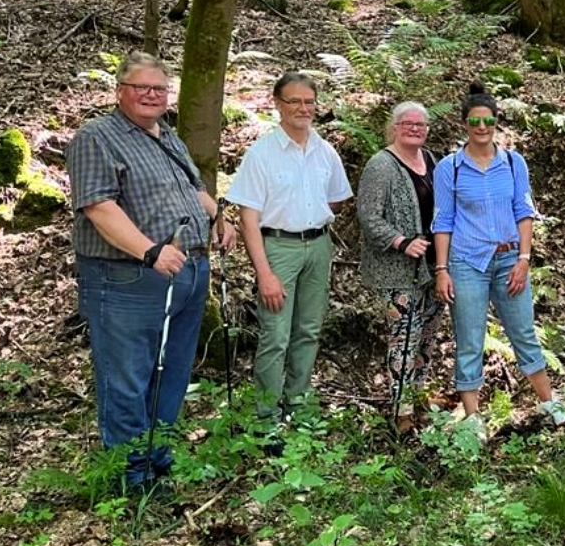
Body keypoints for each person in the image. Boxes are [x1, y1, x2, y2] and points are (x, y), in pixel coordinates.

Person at [67, 51, 235, 492]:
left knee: (171, 374)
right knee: (127, 377)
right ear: (120, 91)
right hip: (128, 278)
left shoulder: (167, 136)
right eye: (141, 87)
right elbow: (99, 207)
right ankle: (131, 477)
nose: (151, 95)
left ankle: (158, 459)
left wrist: (218, 218)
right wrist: (150, 252)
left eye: (159, 88)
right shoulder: (97, 137)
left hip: (188, 273)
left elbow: (194, 188)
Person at [432, 82, 565, 437]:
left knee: (524, 331)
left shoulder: (513, 162)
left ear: (496, 122)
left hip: (510, 260)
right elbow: (443, 221)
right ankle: (473, 418)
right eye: (475, 121)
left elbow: (524, 211)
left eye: (488, 121)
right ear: (464, 124)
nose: (482, 128)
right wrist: (442, 269)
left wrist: (525, 258)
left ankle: (549, 404)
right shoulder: (450, 168)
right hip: (467, 263)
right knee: (470, 336)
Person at [226, 72, 352, 430]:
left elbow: (339, 199)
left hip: (319, 246)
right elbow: (248, 219)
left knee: (309, 330)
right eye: (293, 101)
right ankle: (266, 418)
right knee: (276, 336)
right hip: (278, 248)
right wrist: (264, 273)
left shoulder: (324, 151)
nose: (302, 108)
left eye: (308, 101)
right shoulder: (262, 154)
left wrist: (311, 210)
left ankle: (297, 405)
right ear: (277, 104)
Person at [356, 101, 444, 418]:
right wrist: (400, 241)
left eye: (421, 125)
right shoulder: (381, 165)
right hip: (398, 270)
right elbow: (367, 215)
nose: (414, 129)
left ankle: (417, 396)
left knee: (426, 336)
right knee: (403, 337)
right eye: (408, 123)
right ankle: (401, 409)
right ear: (394, 127)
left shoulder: (432, 160)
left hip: (434, 267)